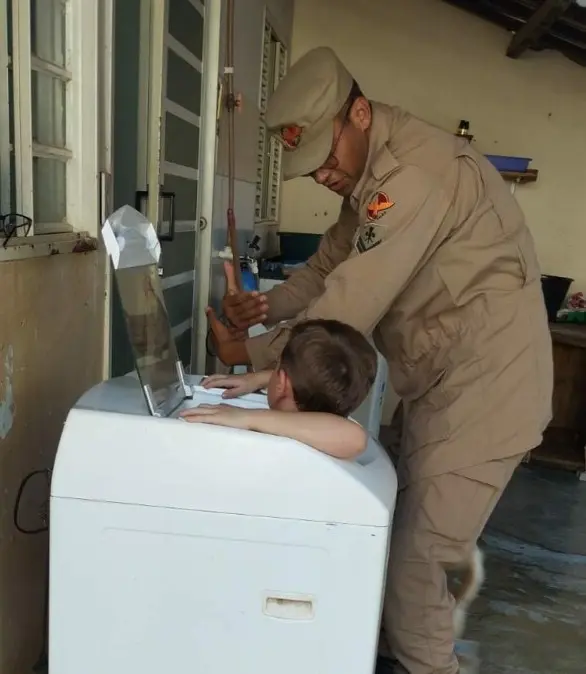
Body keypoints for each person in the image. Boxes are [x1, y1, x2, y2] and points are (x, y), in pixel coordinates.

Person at [214, 46, 553, 674]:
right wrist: (263, 308)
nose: (321, 176)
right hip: (440, 387)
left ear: (359, 115)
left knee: (417, 568)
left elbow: (351, 302)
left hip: (488, 392)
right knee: (397, 547)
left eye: (324, 158)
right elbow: (324, 269)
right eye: (308, 167)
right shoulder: (368, 187)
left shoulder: (416, 174)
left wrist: (257, 358)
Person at [181, 312, 377, 460]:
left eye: (276, 368)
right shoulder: (328, 436)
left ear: (282, 384)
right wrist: (260, 379)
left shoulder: (339, 439)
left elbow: (356, 438)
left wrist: (246, 416)